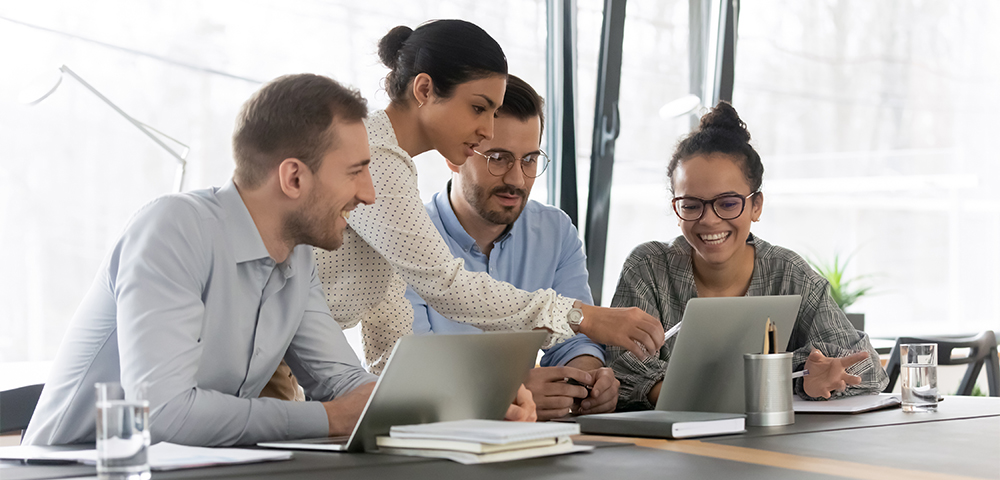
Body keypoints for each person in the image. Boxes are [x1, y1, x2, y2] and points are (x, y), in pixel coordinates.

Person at [25, 74, 382, 446]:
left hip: (188, 467)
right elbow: (163, 413)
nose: (369, 194)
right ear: (293, 178)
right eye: (355, 172)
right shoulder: (173, 230)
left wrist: (410, 407)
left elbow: (345, 384)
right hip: (76, 468)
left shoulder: (298, 256)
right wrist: (328, 418)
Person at [314, 20, 664, 374]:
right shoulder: (376, 159)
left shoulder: (393, 166)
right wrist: (581, 316)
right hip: (270, 356)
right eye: (479, 108)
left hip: (295, 360)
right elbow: (446, 285)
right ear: (424, 90)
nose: (487, 130)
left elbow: (389, 326)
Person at [606, 102, 889, 411]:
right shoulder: (648, 267)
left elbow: (868, 369)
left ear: (756, 206)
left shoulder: (788, 272)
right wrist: (781, 375)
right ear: (677, 209)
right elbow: (622, 370)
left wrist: (810, 377)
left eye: (728, 204)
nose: (710, 220)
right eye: (691, 205)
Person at [403, 75, 620, 420]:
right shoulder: (408, 237)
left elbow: (573, 339)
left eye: (530, 160)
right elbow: (410, 372)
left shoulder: (556, 231)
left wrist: (586, 381)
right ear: (455, 156)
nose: (517, 179)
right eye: (499, 158)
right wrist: (506, 391)